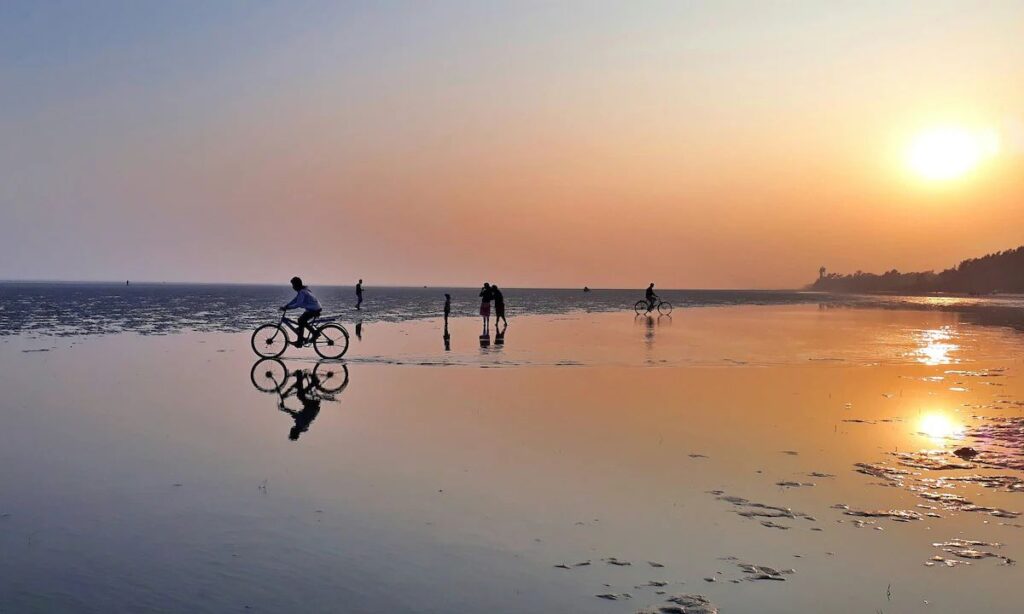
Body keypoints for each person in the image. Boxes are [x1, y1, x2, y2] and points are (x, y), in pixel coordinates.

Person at [281, 276, 322, 347]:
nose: (292, 287)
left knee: (301, 321)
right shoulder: (303, 290)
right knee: (301, 321)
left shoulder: (302, 292)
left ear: (296, 285)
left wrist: (288, 308)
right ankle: (303, 338)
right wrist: (287, 305)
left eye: (293, 285)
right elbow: (295, 300)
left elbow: (298, 304)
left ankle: (302, 340)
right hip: (314, 308)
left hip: (314, 309)